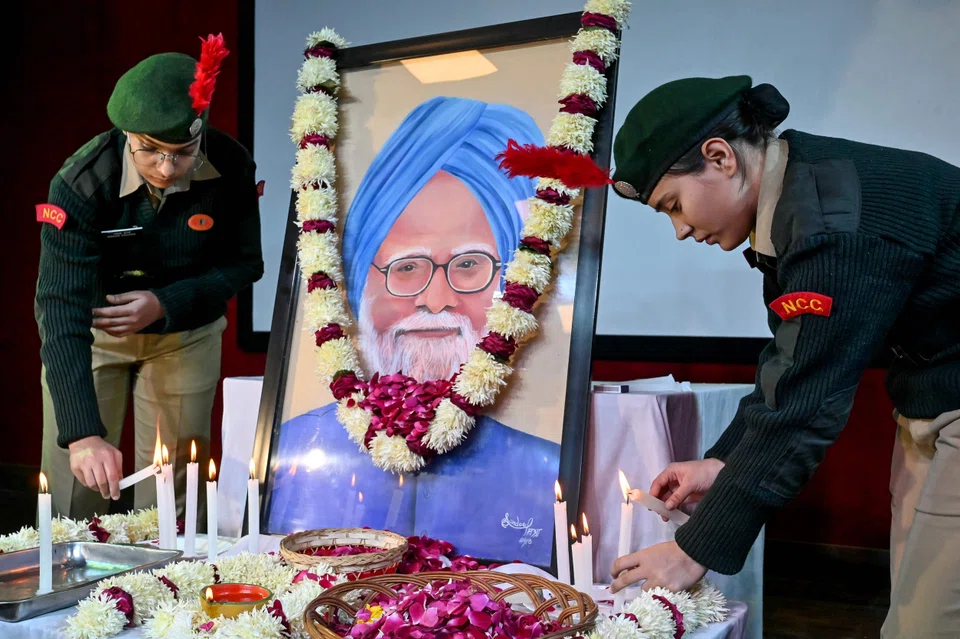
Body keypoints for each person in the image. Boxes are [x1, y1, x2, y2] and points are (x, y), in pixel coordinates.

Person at [606, 75, 959, 637]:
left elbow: (805, 405)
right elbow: (789, 366)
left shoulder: (827, 223)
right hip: (929, 396)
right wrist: (720, 464)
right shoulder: (803, 191)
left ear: (720, 157)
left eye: (673, 205)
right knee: (914, 602)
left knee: (929, 624)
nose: (677, 230)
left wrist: (694, 550)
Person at [268, 96, 561, 566]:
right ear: (359, 279)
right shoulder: (297, 453)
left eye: (470, 265)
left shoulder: (546, 472)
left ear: (515, 286)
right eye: (406, 268)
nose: (436, 299)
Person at [36, 35, 264, 521]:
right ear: (126, 136)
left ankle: (165, 587)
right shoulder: (79, 183)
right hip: (96, 337)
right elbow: (59, 307)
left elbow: (247, 263)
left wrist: (165, 301)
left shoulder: (232, 165)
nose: (166, 168)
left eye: (183, 152)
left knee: (173, 493)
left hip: (186, 337)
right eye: (149, 151)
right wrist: (82, 435)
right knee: (77, 487)